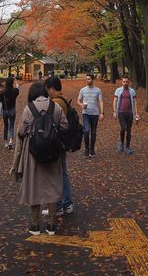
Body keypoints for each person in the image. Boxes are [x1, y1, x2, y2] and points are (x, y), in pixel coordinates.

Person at [10, 81, 68, 236]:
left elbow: (21, 132)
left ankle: (35, 225)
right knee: (53, 187)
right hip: (52, 153)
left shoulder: (29, 109)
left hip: (33, 154)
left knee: (33, 187)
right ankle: (51, 224)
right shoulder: (55, 107)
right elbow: (65, 126)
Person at [45, 75, 74, 216]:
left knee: (57, 174)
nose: (47, 93)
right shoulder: (65, 99)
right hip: (64, 141)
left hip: (58, 142)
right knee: (63, 172)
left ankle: (59, 206)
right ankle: (67, 204)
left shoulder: (56, 102)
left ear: (51, 88)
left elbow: (54, 123)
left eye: (47, 89)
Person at [77, 73, 104, 157]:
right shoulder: (82, 90)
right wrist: (81, 105)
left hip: (95, 113)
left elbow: (100, 101)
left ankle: (92, 150)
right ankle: (86, 150)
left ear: (92, 79)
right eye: (86, 79)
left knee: (93, 133)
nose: (87, 80)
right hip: (86, 113)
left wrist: (102, 113)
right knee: (86, 131)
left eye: (88, 79)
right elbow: (78, 101)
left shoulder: (98, 90)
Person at [113, 75, 139, 154]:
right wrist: (114, 111)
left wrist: (136, 113)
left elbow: (135, 102)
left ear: (129, 82)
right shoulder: (118, 90)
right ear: (122, 82)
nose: (125, 83)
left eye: (126, 82)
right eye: (124, 82)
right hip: (121, 112)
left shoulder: (132, 91)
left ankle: (127, 147)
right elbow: (115, 101)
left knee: (129, 130)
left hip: (130, 113)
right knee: (123, 128)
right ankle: (121, 143)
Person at [0, 75, 20, 150]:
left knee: (6, 126)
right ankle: (11, 141)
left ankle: (6, 143)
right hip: (12, 110)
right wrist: (16, 81)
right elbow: (17, 87)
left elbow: (0, 103)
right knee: (11, 126)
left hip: (5, 111)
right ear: (12, 83)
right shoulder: (15, 91)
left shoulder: (2, 92)